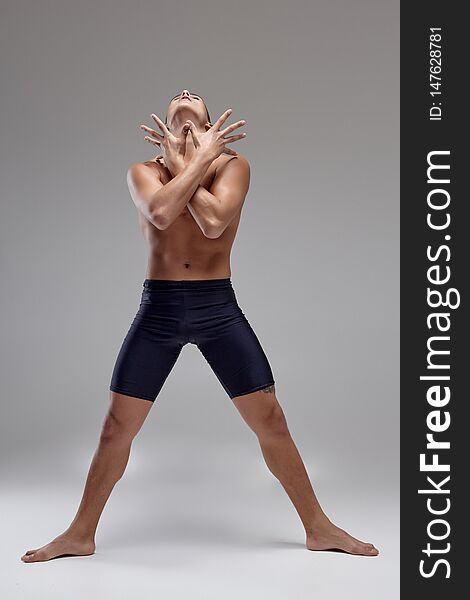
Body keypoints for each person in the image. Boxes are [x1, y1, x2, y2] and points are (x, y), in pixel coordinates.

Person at [21, 89, 379, 562]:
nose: (185, 95)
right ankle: (80, 533)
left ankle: (319, 527)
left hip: (217, 308)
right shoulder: (142, 172)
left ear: (211, 126)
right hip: (160, 308)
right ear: (164, 129)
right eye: (176, 102)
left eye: (194, 103)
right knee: (115, 428)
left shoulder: (234, 166)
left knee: (271, 418)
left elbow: (212, 222)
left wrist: (197, 161)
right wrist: (191, 162)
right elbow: (162, 212)